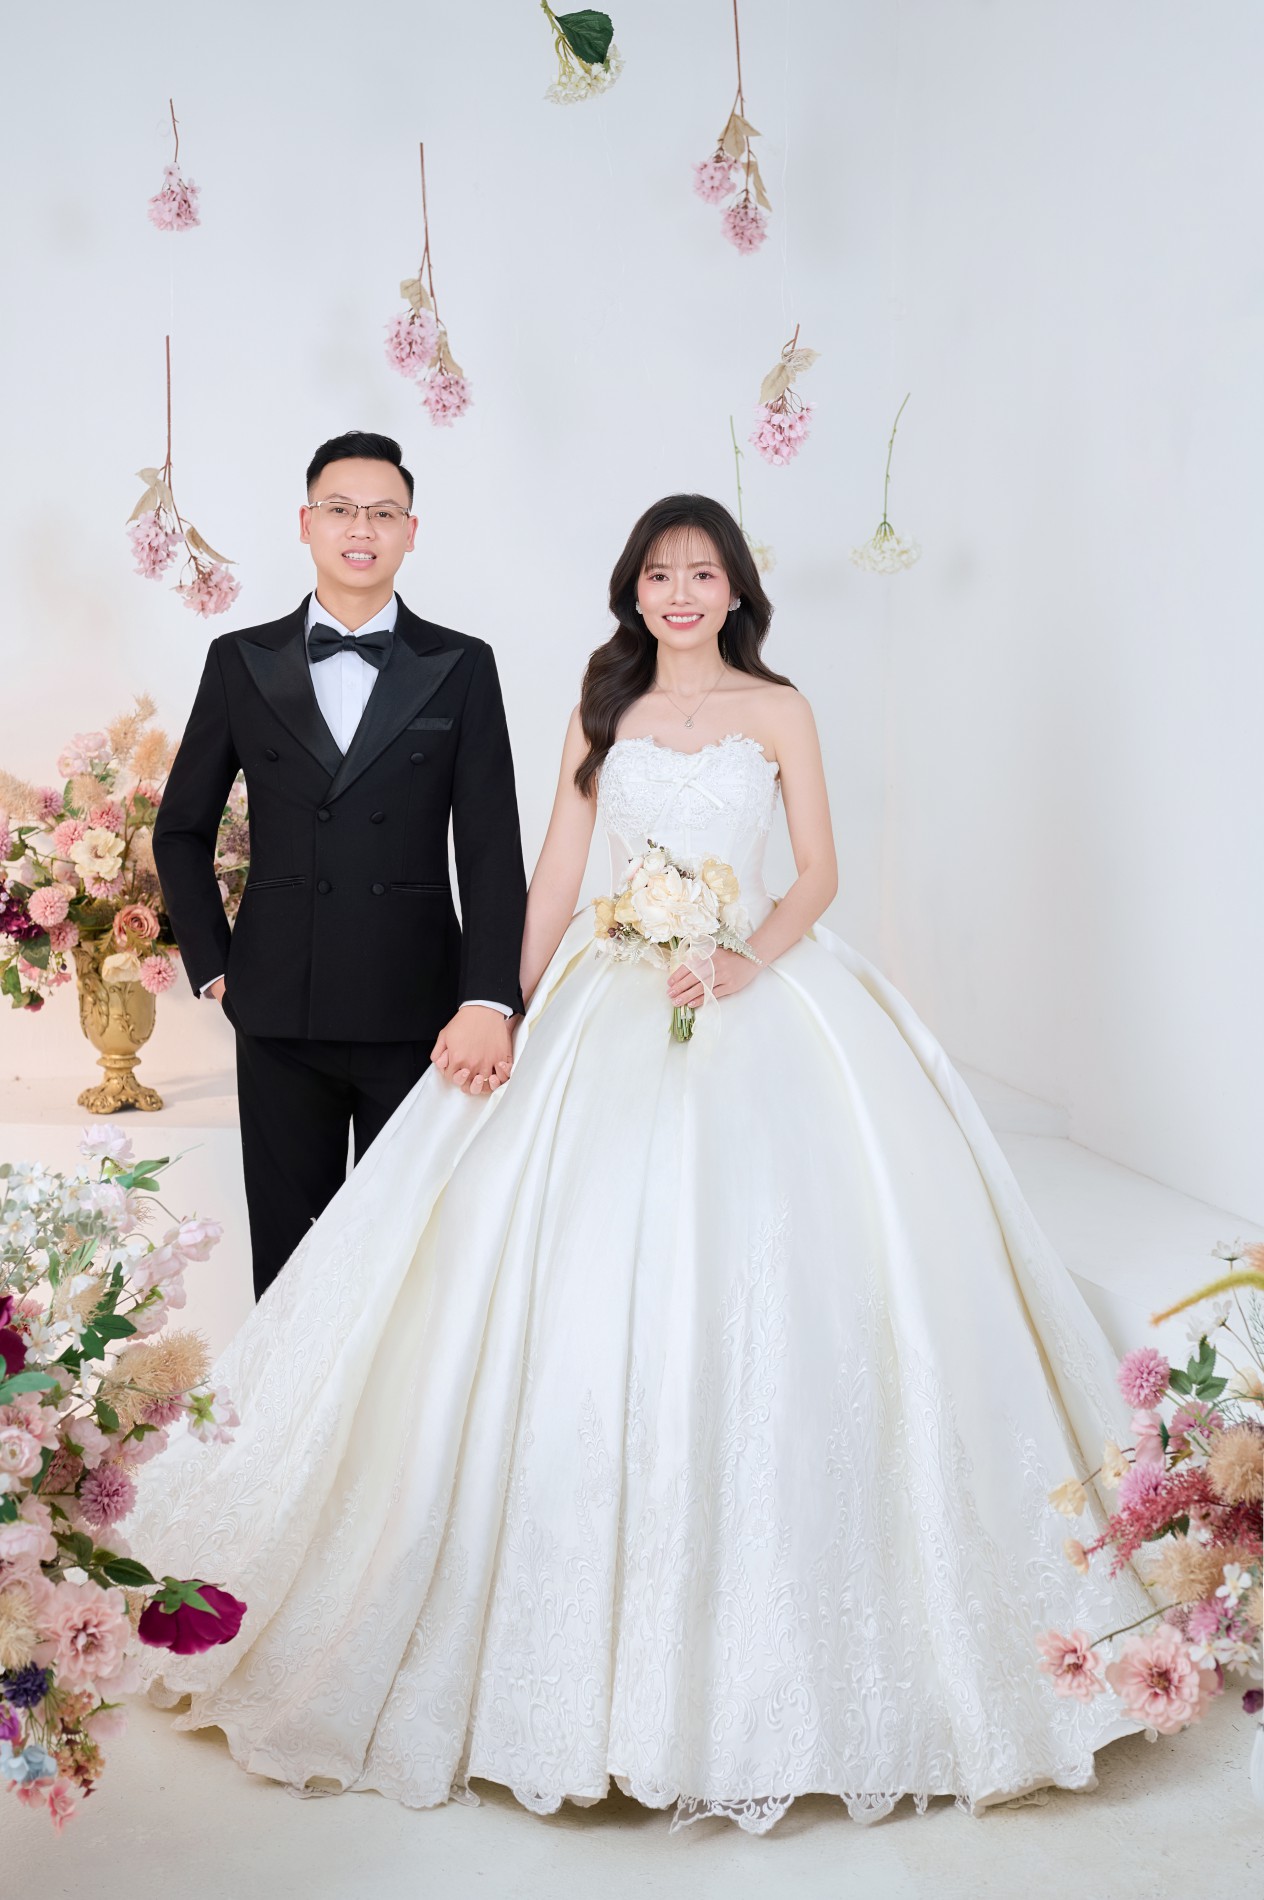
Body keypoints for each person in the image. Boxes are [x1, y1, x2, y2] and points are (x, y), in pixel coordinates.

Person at [130, 494, 1150, 1831]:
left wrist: (742, 960)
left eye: (702, 574)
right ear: (634, 591)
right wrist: (497, 1005)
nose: (679, 593)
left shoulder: (780, 709)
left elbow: (819, 873)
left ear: (734, 593)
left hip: (756, 996)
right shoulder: (598, 707)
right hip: (609, 996)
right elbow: (553, 879)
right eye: (660, 574)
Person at [153, 431, 526, 1299]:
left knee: (410, 1269)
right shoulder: (240, 660)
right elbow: (180, 831)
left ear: (411, 532)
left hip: (421, 1012)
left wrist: (487, 999)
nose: (362, 528)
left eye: (384, 513)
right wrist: (215, 970)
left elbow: (490, 847)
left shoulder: (462, 664)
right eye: (341, 509)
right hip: (279, 1007)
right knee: (289, 1267)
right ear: (306, 522)